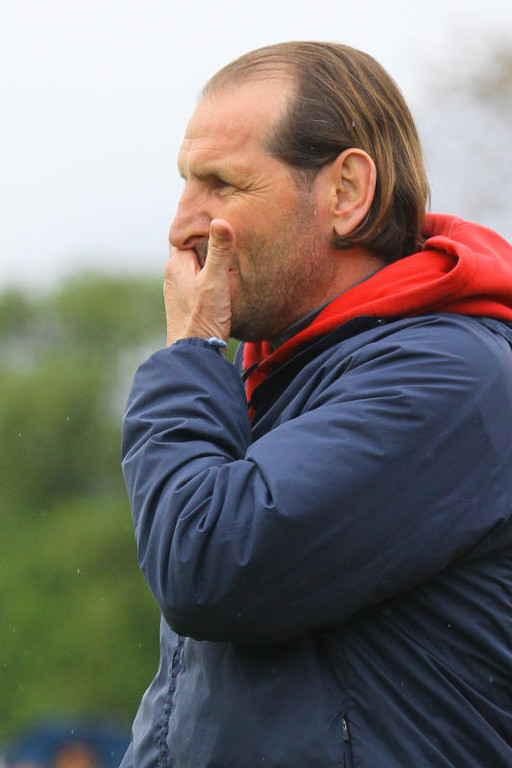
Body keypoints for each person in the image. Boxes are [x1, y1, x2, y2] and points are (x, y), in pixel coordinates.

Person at [120, 42, 512, 767]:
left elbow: (209, 566)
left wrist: (193, 349)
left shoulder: (450, 376)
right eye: (185, 184)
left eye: (222, 184)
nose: (181, 227)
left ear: (346, 193)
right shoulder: (273, 379)